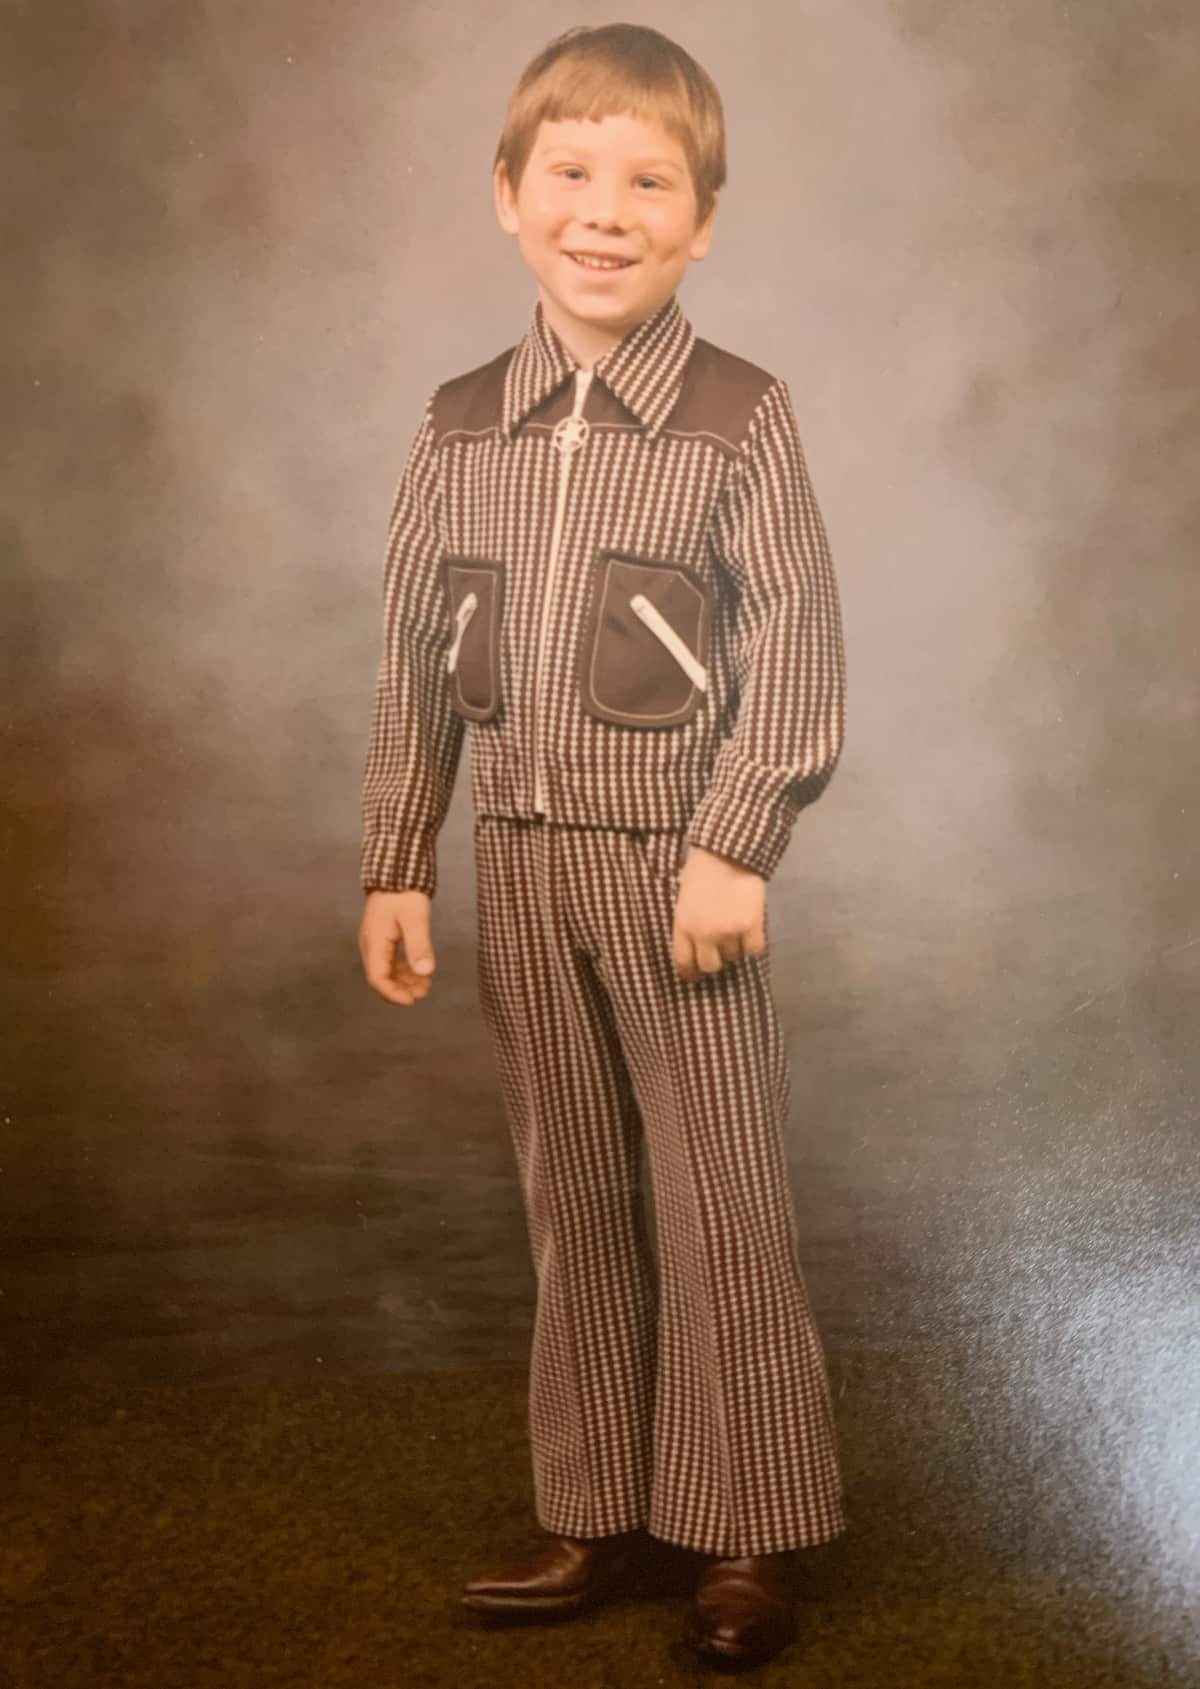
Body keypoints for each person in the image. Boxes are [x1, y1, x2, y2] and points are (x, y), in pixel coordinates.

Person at [357, 21, 848, 1670]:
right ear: (508, 194)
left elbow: (793, 640)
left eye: (650, 183)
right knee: (571, 1189)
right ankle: (597, 1502)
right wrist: (398, 855)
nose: (605, 212)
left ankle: (747, 1525)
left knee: (719, 1195)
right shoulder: (459, 423)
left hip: (671, 869)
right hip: (518, 857)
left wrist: (737, 838)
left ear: (702, 223)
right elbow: (415, 651)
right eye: (570, 173)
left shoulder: (739, 415)